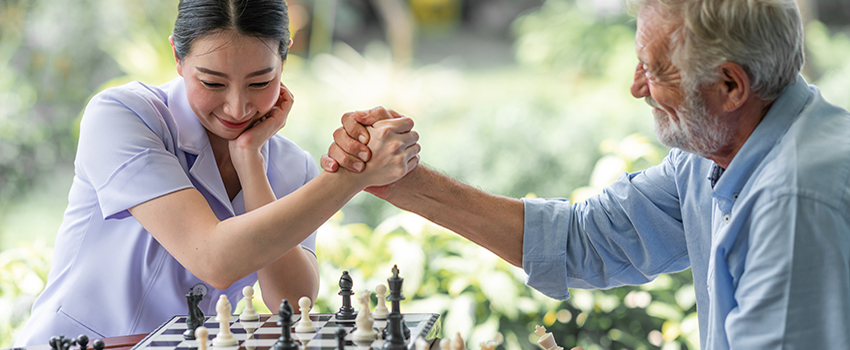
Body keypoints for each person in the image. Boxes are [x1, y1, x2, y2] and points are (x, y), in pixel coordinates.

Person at [323, 0, 850, 348]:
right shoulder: (718, 152)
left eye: (654, 68)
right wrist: (404, 183)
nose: (636, 87)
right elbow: (585, 241)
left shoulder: (794, 200)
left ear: (731, 86)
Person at [13, 0, 420, 346]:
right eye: (213, 82)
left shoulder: (291, 163)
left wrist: (251, 163)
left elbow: (295, 304)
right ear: (177, 57)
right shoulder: (123, 116)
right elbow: (212, 257)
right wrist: (351, 177)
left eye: (261, 82)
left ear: (285, 57)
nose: (238, 108)